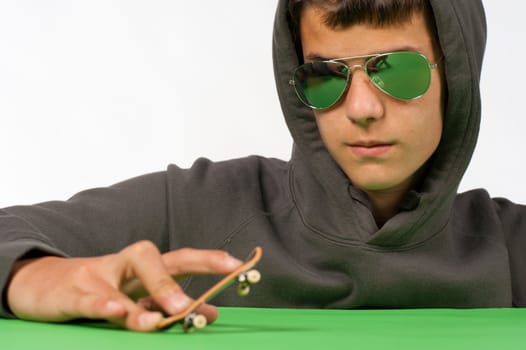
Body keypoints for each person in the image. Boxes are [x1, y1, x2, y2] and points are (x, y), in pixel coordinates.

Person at [1, 0, 524, 333]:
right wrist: (36, 277)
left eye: (398, 70)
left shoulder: (513, 246)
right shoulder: (206, 207)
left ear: (456, 72)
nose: (363, 108)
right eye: (326, 75)